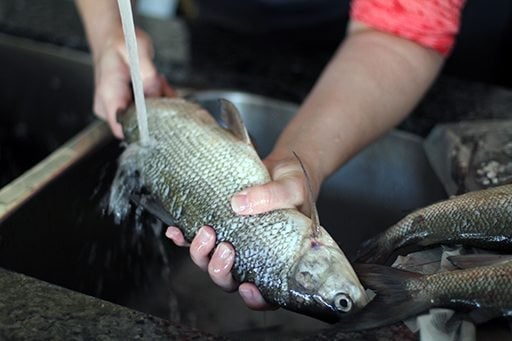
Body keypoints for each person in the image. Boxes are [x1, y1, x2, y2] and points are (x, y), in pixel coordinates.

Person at [75, 0, 465, 310]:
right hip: (229, 24)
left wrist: (307, 158)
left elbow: (401, 29)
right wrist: (108, 31)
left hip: (379, 71)